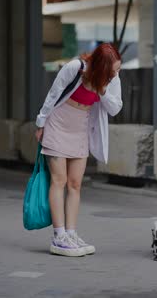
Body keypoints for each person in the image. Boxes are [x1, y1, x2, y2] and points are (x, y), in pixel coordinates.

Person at [35, 43, 122, 257]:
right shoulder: (75, 68)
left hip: (80, 128)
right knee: (59, 180)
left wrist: (102, 91)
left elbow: (115, 108)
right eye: (112, 70)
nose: (116, 74)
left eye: (117, 69)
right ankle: (59, 236)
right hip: (58, 124)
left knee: (75, 184)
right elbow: (53, 94)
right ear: (100, 66)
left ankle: (71, 233)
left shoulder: (111, 79)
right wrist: (41, 123)